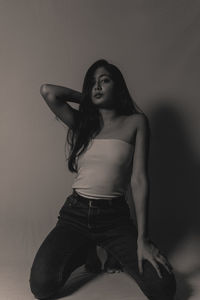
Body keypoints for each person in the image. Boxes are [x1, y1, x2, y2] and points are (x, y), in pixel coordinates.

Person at [29, 59, 176, 300]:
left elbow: (138, 179)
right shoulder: (84, 124)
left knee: (163, 289)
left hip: (114, 220)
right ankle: (85, 251)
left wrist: (143, 239)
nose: (97, 86)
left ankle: (111, 251)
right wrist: (87, 99)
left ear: (118, 87)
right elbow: (48, 91)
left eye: (104, 80)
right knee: (42, 287)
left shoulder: (136, 122)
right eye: (92, 83)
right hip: (74, 215)